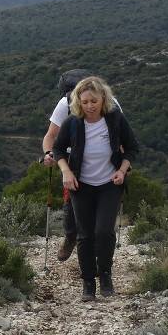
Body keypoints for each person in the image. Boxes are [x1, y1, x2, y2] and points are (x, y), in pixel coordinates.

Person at [52, 76, 139, 301]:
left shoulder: (115, 119)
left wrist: (122, 170)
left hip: (110, 184)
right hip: (81, 186)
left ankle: (106, 276)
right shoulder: (73, 123)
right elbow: (58, 149)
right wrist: (66, 172)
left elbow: (132, 148)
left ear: (104, 99)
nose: (89, 106)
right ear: (77, 102)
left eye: (94, 101)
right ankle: (88, 283)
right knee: (85, 234)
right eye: (85, 102)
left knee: (104, 231)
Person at [42, 69, 123, 262]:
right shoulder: (66, 104)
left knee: (100, 214)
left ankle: (95, 255)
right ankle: (71, 236)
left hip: (104, 164)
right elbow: (51, 136)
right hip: (73, 162)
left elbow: (120, 134)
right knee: (71, 204)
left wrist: (123, 162)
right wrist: (49, 153)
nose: (89, 104)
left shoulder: (111, 104)